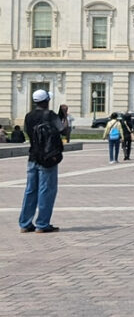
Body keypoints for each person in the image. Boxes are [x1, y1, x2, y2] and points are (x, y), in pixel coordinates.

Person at [19, 89, 65, 233]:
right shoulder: (50, 115)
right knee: (47, 190)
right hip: (48, 157)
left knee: (30, 190)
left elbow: (28, 132)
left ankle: (25, 223)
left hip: (33, 156)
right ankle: (42, 224)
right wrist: (64, 114)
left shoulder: (28, 116)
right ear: (46, 101)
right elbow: (63, 130)